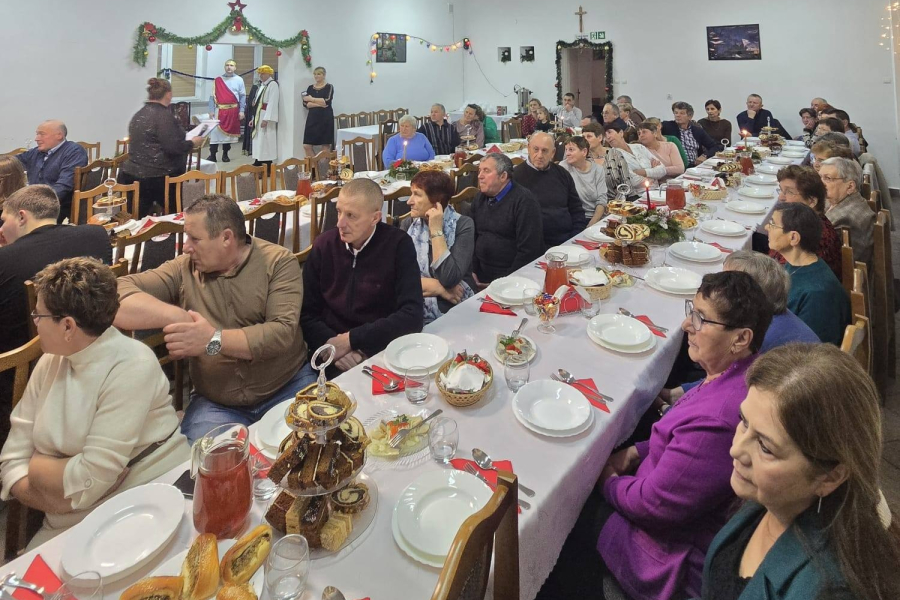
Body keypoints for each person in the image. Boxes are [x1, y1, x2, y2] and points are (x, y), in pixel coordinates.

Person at [538, 271, 773, 600]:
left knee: (560, 510)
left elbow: (653, 505)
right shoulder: (738, 375)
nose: (687, 325)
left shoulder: (718, 418)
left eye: (701, 319)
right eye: (691, 311)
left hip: (662, 554)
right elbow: (681, 438)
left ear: (741, 339)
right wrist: (636, 451)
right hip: (662, 499)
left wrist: (605, 479)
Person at [0, 257, 190, 547]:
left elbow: (92, 479)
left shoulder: (132, 364)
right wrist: (57, 501)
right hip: (67, 518)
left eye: (39, 315)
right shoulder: (50, 363)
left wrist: (37, 467)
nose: (35, 322)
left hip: (148, 494)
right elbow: (12, 463)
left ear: (68, 326)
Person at [700, 343, 900, 600]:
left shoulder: (828, 591)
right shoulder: (774, 498)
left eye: (765, 447)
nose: (736, 450)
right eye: (744, 422)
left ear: (830, 476)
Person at [114, 195, 314, 443]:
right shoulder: (184, 269)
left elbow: (280, 334)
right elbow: (114, 294)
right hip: (217, 403)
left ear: (226, 238)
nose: (186, 247)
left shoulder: (278, 262)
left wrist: (212, 340)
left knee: (317, 447)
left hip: (286, 386)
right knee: (203, 463)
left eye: (194, 239)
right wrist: (176, 316)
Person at [0, 185, 111, 449]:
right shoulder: (96, 235)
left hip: (21, 373)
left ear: (22, 216)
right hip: (95, 353)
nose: (1, 229)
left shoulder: (6, 259)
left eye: (3, 220)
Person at [301, 179, 424, 374]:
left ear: (375, 218)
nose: (340, 223)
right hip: (328, 355)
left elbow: (412, 315)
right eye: (339, 211)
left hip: (380, 353)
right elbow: (306, 313)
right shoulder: (324, 245)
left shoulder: (398, 245)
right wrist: (332, 347)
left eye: (351, 216)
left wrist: (351, 341)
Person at [664, 251, 819, 403]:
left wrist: (665, 404)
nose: (718, 285)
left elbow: (721, 388)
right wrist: (674, 393)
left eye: (729, 283)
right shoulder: (773, 315)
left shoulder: (762, 341)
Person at [766, 202, 850, 346]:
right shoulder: (794, 264)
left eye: (773, 224)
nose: (767, 227)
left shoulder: (818, 294)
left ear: (793, 238)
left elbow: (811, 350)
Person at [119, 78, 204, 217]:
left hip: (133, 174)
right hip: (158, 177)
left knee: (139, 217)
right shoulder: (164, 117)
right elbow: (173, 147)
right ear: (168, 94)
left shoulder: (139, 114)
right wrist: (193, 143)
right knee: (172, 216)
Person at [401, 171, 474, 323]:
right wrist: (437, 287)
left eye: (417, 194)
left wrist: (436, 230)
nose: (409, 201)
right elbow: (399, 277)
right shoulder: (408, 225)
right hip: (417, 298)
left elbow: (449, 278)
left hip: (455, 300)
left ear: (436, 201)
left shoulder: (463, 225)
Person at [470, 153, 543, 284]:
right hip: (480, 275)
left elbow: (528, 251)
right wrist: (472, 271)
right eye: (479, 170)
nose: (480, 176)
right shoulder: (479, 198)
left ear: (503, 176)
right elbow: (472, 238)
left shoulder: (524, 201)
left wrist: (504, 282)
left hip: (513, 278)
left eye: (486, 171)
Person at [513, 132, 586, 247]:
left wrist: (575, 238)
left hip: (568, 241)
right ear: (528, 148)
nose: (539, 155)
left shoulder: (562, 174)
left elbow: (576, 210)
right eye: (536, 149)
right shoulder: (515, 177)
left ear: (553, 153)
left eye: (545, 151)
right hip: (534, 246)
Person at [769, 165, 841, 279]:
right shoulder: (804, 224)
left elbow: (780, 279)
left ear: (812, 201)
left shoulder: (813, 238)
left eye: (789, 192)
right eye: (781, 190)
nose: (781, 198)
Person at [15, 120, 87, 223]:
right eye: (37, 134)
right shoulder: (37, 152)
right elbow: (13, 163)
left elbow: (64, 187)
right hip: (33, 202)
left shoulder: (74, 152)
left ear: (59, 135)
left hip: (57, 205)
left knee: (13, 221)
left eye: (42, 134)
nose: (36, 138)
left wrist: (34, 202)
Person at [821, 157, 874, 264]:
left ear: (850, 186)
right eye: (820, 177)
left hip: (844, 271)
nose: (820, 183)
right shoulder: (837, 200)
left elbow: (821, 253)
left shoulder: (845, 219)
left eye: (828, 178)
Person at [560, 136, 607, 226]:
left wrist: (593, 223)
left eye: (571, 150)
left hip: (596, 217)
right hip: (574, 218)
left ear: (584, 152)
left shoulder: (598, 170)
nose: (567, 154)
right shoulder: (564, 167)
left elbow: (602, 200)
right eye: (566, 150)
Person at [582, 122, 635, 200]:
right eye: (583, 137)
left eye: (589, 136)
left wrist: (616, 203)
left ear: (600, 137)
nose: (585, 140)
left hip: (617, 201)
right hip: (591, 203)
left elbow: (626, 183)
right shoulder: (583, 158)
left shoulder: (615, 154)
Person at [604, 123, 667, 188]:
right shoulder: (612, 157)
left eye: (609, 132)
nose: (608, 137)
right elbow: (632, 180)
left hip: (657, 190)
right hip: (638, 193)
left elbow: (663, 169)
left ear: (621, 133)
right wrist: (653, 174)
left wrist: (643, 172)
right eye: (605, 136)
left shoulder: (639, 147)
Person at [207, 60, 246, 163]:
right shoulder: (217, 80)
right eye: (227, 65)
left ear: (235, 67)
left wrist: (242, 110)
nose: (229, 67)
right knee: (214, 134)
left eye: (231, 65)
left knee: (228, 135)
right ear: (224, 67)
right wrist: (211, 110)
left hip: (232, 111)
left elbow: (242, 96)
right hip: (219, 111)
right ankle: (212, 155)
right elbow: (212, 97)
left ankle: (225, 154)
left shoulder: (239, 80)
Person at [250, 65, 279, 168]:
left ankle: (267, 163)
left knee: (266, 139)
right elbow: (257, 103)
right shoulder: (261, 85)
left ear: (269, 73)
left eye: (263, 73)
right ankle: (258, 159)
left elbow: (272, 102)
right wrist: (253, 118)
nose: (261, 75)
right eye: (260, 73)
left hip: (265, 115)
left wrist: (266, 119)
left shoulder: (272, 85)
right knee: (258, 138)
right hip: (258, 114)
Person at [302, 66, 334, 157]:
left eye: (319, 74)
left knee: (325, 146)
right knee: (306, 145)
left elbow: (326, 101)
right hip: (312, 119)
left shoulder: (329, 87)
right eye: (315, 74)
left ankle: (323, 165)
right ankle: (315, 165)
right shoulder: (310, 88)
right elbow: (306, 104)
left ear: (324, 75)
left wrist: (312, 99)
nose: (316, 76)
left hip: (325, 119)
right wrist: (320, 104)